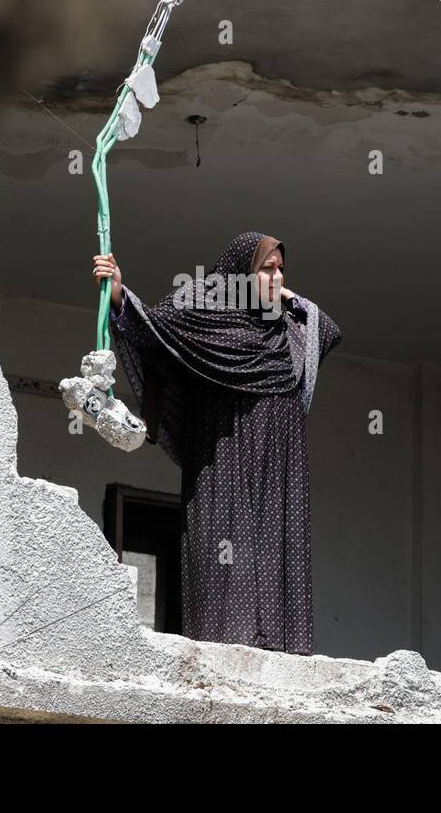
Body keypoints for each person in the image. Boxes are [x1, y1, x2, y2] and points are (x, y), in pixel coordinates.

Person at [91, 232, 342, 656]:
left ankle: (281, 652)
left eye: (282, 268)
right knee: (229, 557)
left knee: (276, 551)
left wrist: (278, 289)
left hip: (279, 467)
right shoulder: (204, 313)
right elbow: (153, 328)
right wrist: (118, 293)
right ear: (239, 276)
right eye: (267, 268)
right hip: (222, 461)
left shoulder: (288, 333)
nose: (278, 276)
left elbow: (329, 329)